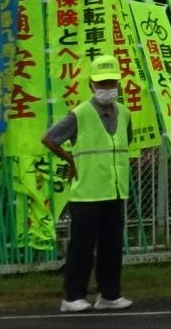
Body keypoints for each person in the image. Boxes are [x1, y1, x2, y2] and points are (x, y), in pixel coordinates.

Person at [46, 55, 142, 312]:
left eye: (111, 82)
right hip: (87, 192)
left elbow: (124, 143)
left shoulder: (124, 113)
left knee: (112, 246)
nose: (106, 88)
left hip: (115, 189)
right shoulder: (80, 114)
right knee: (82, 247)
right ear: (91, 85)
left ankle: (110, 294)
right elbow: (50, 138)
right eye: (101, 83)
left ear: (118, 84)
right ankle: (72, 296)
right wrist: (70, 159)